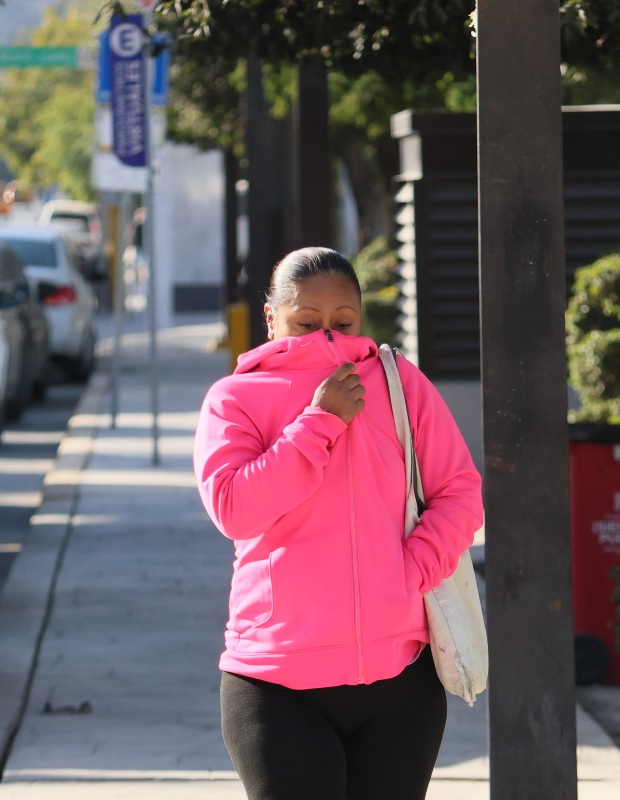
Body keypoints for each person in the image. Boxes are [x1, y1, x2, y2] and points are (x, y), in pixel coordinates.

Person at [193, 247, 484, 800]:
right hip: (275, 683)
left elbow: (460, 492)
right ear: (272, 317)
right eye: (306, 322)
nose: (326, 334)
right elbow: (234, 510)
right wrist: (317, 424)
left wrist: (409, 572)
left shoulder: (400, 384)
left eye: (343, 321)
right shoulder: (234, 399)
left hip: (400, 683)